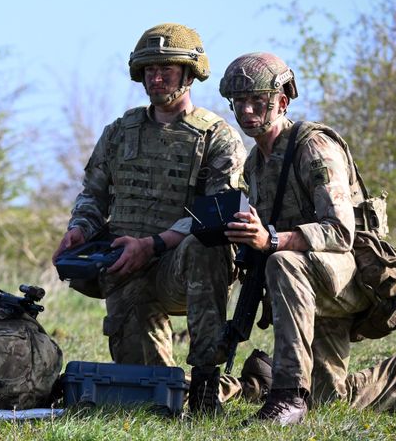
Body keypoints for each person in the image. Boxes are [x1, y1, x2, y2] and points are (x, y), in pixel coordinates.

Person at [218, 52, 396, 425]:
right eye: (239, 103)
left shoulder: (313, 146)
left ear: (282, 102)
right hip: (307, 282)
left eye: (258, 102)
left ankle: (286, 396)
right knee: (330, 401)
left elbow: (340, 231)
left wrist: (270, 242)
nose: (247, 111)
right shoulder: (256, 163)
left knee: (282, 261)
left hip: (348, 272)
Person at [52, 22, 251, 414]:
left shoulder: (217, 137)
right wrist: (80, 229)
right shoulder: (120, 132)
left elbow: (218, 212)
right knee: (146, 392)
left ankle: (209, 379)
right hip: (126, 264)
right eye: (149, 70)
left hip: (181, 266)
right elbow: (93, 193)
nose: (156, 78)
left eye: (167, 69)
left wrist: (155, 244)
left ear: (189, 73)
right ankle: (238, 385)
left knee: (206, 247)